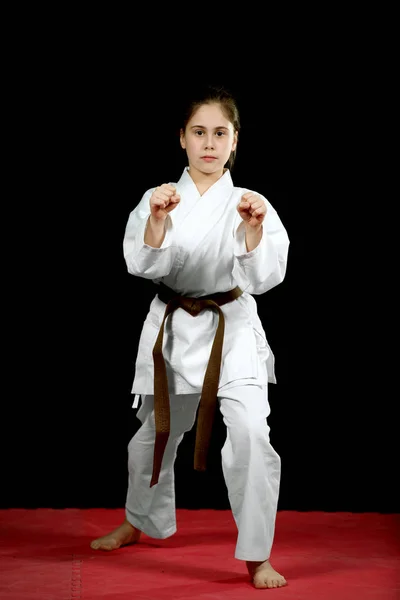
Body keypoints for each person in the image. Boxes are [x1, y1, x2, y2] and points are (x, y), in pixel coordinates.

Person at [90, 84, 290, 590]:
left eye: (219, 133)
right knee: (151, 438)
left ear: (235, 141)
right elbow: (140, 263)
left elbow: (266, 276)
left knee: (250, 435)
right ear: (182, 138)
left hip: (232, 329)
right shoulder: (161, 197)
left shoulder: (252, 203)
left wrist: (251, 232)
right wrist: (157, 220)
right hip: (176, 329)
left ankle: (257, 555)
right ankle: (139, 520)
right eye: (198, 132)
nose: (208, 142)